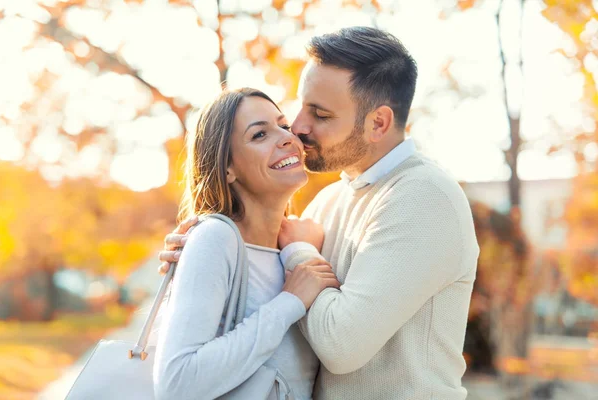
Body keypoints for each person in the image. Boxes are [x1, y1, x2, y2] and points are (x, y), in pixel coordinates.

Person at [160, 27, 480, 400]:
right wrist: (195, 250)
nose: (298, 127)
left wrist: (299, 252)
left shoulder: (423, 197)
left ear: (378, 123)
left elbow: (342, 346)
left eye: (321, 114)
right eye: (301, 106)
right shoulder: (329, 201)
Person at [152, 87, 340, 400]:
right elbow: (176, 385)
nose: (285, 138)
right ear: (227, 168)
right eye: (259, 135)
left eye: (283, 124)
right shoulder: (217, 238)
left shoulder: (294, 245)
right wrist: (289, 303)